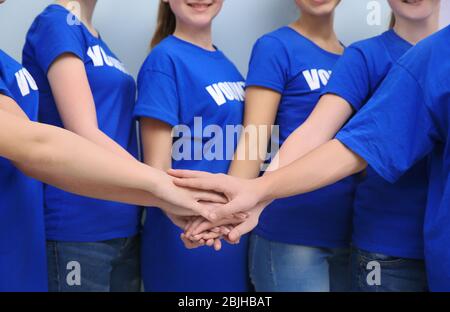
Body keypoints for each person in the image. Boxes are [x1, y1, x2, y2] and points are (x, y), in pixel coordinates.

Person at [170, 24, 450, 292]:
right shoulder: (408, 57)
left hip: (342, 230)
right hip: (300, 229)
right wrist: (246, 200)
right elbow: (277, 134)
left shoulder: (346, 52)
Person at [227, 0, 353, 292]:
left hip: (349, 236)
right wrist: (226, 211)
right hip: (290, 236)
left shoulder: (354, 58)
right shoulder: (275, 46)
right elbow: (254, 139)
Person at [133, 0, 249, 292]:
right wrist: (204, 221)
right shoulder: (164, 61)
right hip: (187, 236)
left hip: (231, 234)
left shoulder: (230, 66)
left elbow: (252, 148)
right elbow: (156, 173)